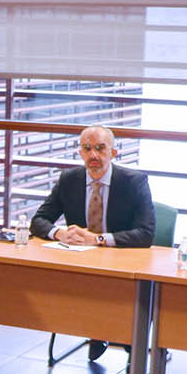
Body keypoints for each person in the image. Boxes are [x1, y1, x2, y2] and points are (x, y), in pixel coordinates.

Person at [29, 125, 156, 359]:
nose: (93, 156)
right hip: (82, 265)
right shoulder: (69, 180)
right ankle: (97, 331)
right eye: (87, 149)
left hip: (122, 264)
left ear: (113, 153)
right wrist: (60, 234)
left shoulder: (134, 182)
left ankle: (128, 342)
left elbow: (146, 233)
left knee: (125, 293)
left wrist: (98, 239)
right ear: (80, 153)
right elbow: (38, 220)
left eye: (100, 148)